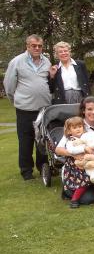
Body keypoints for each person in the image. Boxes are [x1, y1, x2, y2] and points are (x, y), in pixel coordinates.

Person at [3, 34, 52, 180]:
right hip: (25, 109)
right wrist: (17, 100)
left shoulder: (47, 61)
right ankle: (26, 171)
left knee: (42, 140)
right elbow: (9, 86)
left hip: (43, 109)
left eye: (40, 46)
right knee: (26, 140)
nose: (37, 48)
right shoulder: (17, 61)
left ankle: (43, 167)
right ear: (27, 46)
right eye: (34, 46)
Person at [61, 117, 94, 208]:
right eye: (75, 127)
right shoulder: (70, 140)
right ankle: (74, 200)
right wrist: (84, 148)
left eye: (80, 126)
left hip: (89, 163)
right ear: (69, 131)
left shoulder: (86, 136)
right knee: (83, 182)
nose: (78, 129)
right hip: (76, 167)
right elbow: (71, 150)